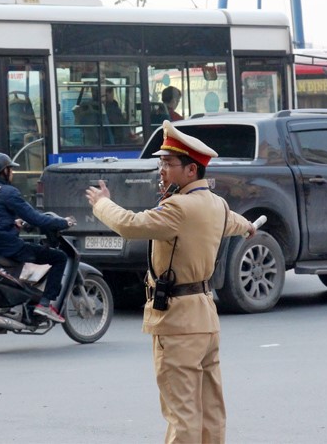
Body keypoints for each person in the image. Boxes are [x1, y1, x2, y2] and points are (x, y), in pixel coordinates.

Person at [85, 120, 255, 443]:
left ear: (191, 171)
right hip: (206, 319)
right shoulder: (216, 204)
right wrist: (249, 226)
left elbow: (132, 225)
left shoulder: (178, 207)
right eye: (161, 162)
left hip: (177, 322)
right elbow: (234, 223)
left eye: (168, 163)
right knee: (211, 414)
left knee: (183, 416)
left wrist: (101, 204)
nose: (162, 169)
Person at [0, 153, 75, 323]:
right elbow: (36, 218)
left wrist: (13, 223)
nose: (12, 173)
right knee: (59, 257)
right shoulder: (9, 192)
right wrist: (63, 222)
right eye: (11, 169)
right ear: (5, 171)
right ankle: (44, 304)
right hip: (6, 246)